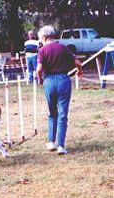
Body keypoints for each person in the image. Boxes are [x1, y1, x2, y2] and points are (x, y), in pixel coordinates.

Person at [36, 25, 82, 155]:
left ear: (44, 38)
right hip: (63, 80)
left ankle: (51, 142)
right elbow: (78, 63)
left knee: (52, 113)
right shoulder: (63, 48)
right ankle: (61, 146)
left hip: (49, 81)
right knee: (63, 114)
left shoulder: (42, 50)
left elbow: (39, 69)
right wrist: (80, 71)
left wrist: (40, 80)